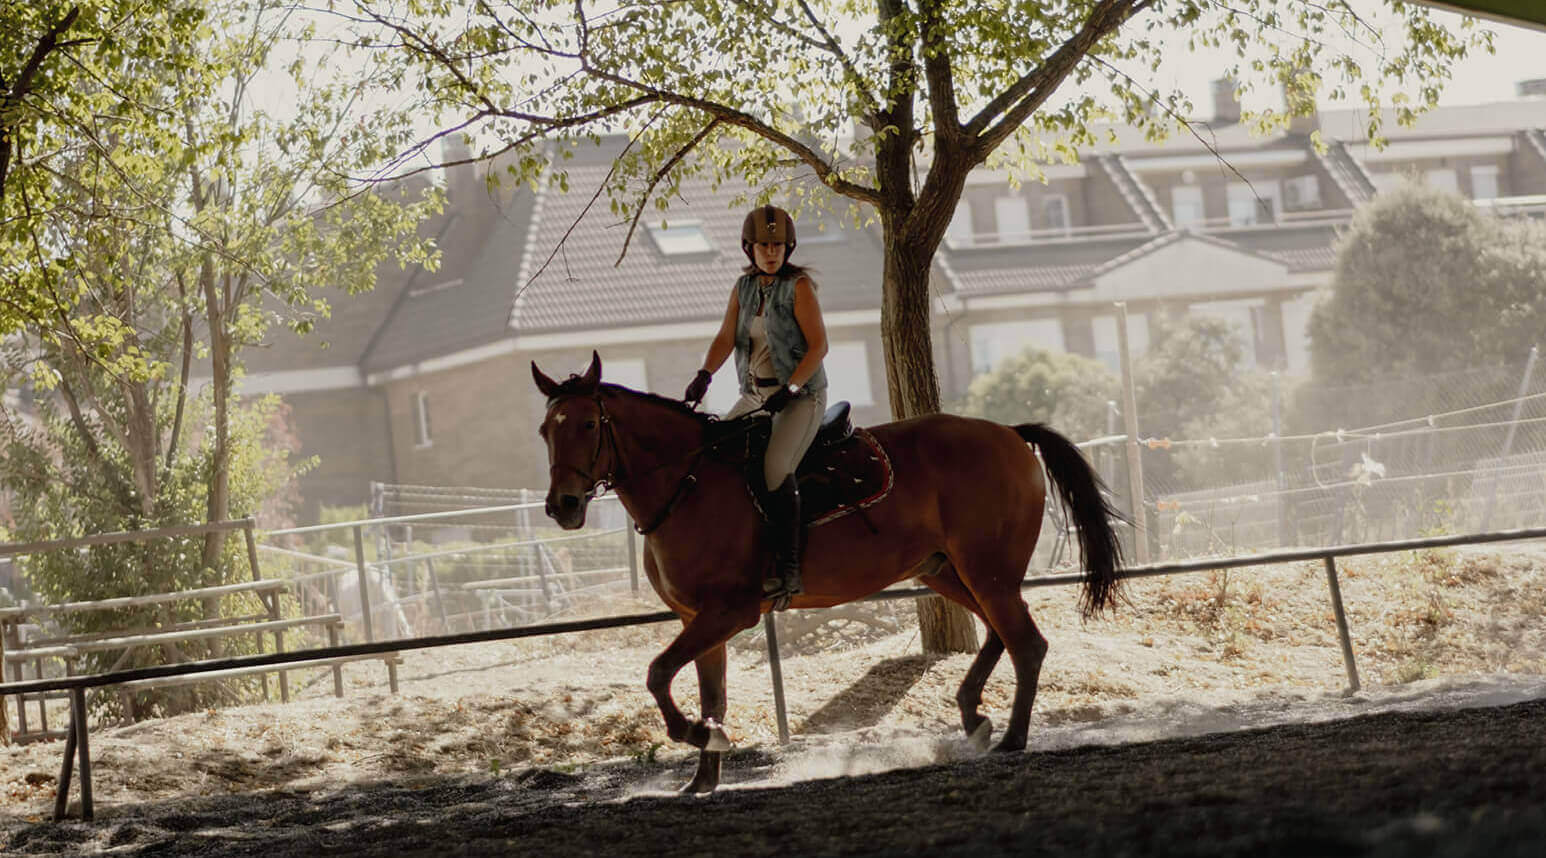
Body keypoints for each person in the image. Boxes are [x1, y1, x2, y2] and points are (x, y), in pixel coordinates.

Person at [682, 204, 829, 608]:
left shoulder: (799, 287)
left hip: (802, 397)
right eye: (764, 245)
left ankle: (789, 570)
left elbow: (819, 347)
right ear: (749, 248)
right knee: (715, 454)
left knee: (775, 467)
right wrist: (705, 374)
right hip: (755, 395)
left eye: (778, 245)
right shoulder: (743, 288)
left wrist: (792, 387)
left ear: (788, 247)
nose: (771, 252)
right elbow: (725, 337)